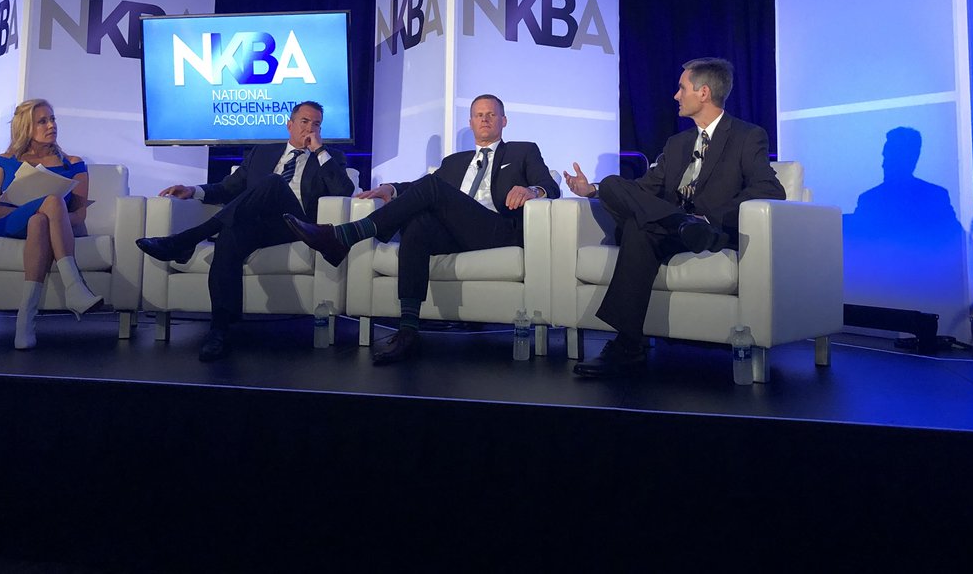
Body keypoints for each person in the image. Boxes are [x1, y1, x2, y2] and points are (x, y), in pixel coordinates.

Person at [286, 94, 560, 365]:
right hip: (458, 232)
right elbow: (420, 188)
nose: (485, 119)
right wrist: (391, 188)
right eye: (479, 115)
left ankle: (347, 235)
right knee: (419, 224)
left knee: (432, 188)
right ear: (471, 123)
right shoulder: (455, 161)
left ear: (504, 120)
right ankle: (408, 330)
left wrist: (532, 190)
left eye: (491, 114)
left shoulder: (523, 151)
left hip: (497, 229)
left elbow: (551, 186)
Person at [563, 57, 785, 377]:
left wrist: (709, 220)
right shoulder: (677, 143)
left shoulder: (747, 136)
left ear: (703, 93)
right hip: (674, 229)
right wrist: (592, 190)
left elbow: (770, 188)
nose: (676, 95)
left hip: (709, 231)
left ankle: (628, 346)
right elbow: (644, 190)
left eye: (682, 88)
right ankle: (679, 223)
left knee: (640, 228)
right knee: (612, 185)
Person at [136, 101, 354, 362]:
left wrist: (318, 150)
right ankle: (219, 330)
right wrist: (194, 190)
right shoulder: (262, 153)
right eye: (305, 122)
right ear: (290, 125)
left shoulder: (330, 158)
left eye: (316, 124)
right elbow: (228, 188)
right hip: (258, 225)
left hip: (296, 225)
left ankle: (186, 240)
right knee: (230, 234)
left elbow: (344, 191)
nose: (310, 129)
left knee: (273, 182)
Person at [0, 99, 102, 350]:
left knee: (40, 220)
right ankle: (74, 287)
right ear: (26, 127)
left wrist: (51, 214)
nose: (51, 125)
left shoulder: (74, 164)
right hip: (10, 223)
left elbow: (79, 215)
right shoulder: (4, 161)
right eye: (42, 121)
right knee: (51, 202)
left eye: (52, 119)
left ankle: (25, 320)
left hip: (48, 226)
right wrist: (33, 207)